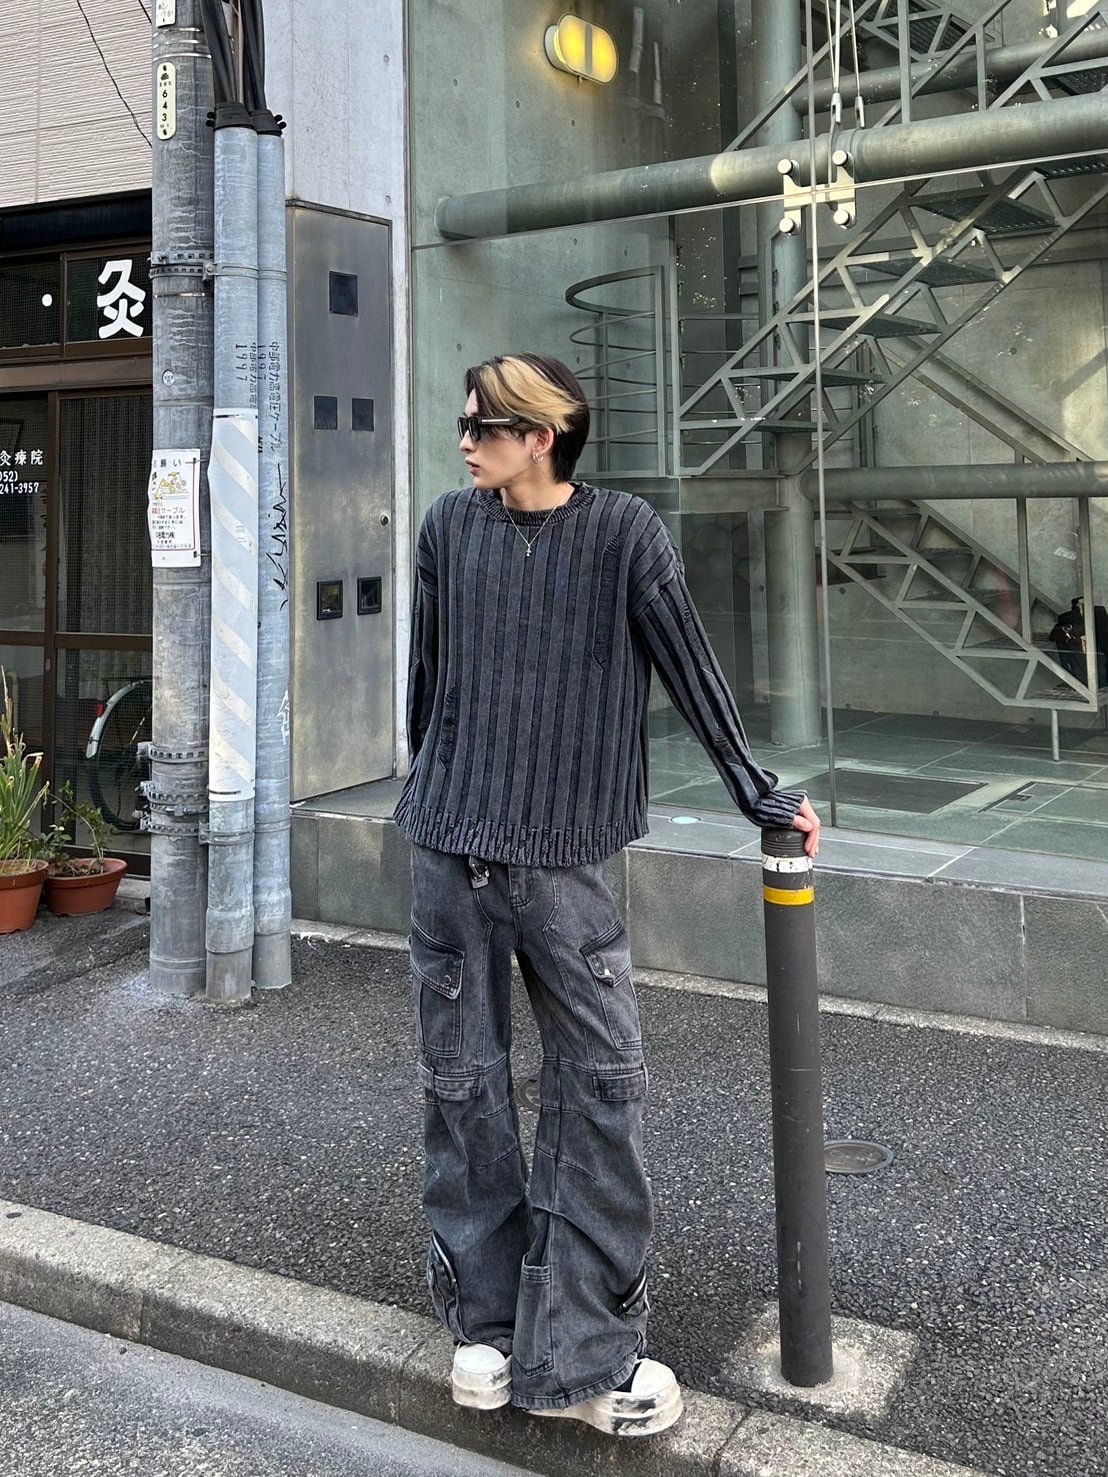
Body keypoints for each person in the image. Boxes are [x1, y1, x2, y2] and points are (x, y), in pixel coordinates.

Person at [394, 352, 820, 1437]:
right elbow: (427, 684)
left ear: (541, 436)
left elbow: (691, 666)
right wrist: (433, 783)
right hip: (447, 849)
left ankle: (579, 1347)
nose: (463, 443)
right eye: (464, 424)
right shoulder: (447, 527)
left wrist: (759, 794)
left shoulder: (624, 532)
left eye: (483, 426)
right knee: (462, 1083)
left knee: (597, 1083)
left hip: (564, 855)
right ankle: (490, 1331)